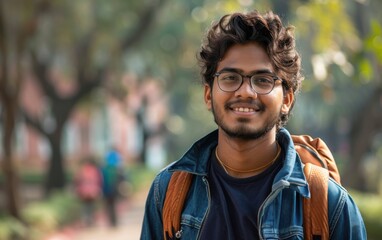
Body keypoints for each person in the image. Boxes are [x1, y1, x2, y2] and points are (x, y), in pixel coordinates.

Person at [141, 10, 366, 239]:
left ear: (286, 100)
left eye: (263, 80)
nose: (246, 92)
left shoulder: (331, 204)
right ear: (208, 95)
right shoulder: (168, 191)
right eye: (230, 77)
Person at [74, 157, 102, 227]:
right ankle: (89, 220)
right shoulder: (93, 171)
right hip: (90, 192)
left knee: (87, 207)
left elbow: (77, 181)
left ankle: (88, 220)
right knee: (89, 207)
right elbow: (99, 181)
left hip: (86, 192)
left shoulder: (83, 170)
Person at [101, 148, 124, 227]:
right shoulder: (117, 168)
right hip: (114, 189)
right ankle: (114, 221)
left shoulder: (104, 168)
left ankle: (111, 221)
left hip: (106, 189)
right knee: (113, 205)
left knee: (108, 205)